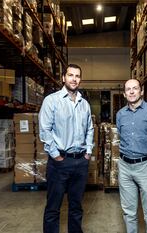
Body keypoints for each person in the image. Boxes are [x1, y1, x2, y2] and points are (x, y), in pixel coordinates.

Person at [39, 64, 94, 233]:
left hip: (80, 162)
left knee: (76, 206)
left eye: (77, 76)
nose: (74, 79)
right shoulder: (51, 100)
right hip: (59, 162)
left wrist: (88, 151)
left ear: (80, 80)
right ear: (63, 78)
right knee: (53, 207)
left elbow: (90, 129)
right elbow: (44, 129)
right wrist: (56, 156)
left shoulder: (84, 104)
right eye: (70, 75)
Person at [116, 79, 147, 233]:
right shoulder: (120, 114)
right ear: (124, 94)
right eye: (128, 89)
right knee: (128, 211)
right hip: (125, 167)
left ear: (141, 91)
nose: (131, 91)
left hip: (146, 166)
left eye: (135, 88)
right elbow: (120, 135)